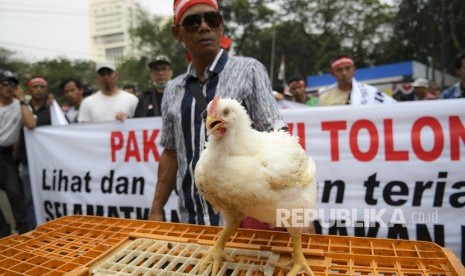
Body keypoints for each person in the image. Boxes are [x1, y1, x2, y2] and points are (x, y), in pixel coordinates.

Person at [149, 0, 285, 226]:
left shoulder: (249, 70)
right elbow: (171, 153)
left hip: (243, 221)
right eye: (193, 22)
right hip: (190, 220)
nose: (204, 27)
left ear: (221, 26)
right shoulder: (173, 89)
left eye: (211, 19)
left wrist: (294, 213)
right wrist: (156, 210)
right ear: (177, 33)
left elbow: (278, 140)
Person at [0, 70, 36, 237]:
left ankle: (24, 232)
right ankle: (3, 232)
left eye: (13, 84)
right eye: (6, 83)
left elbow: (30, 123)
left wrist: (22, 100)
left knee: (15, 194)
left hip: (6, 155)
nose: (9, 87)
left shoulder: (19, 105)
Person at [318, 55, 396, 106]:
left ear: (354, 70)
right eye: (339, 70)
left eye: (348, 68)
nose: (344, 73)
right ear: (332, 73)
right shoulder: (325, 97)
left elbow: (393, 107)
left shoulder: (369, 92)